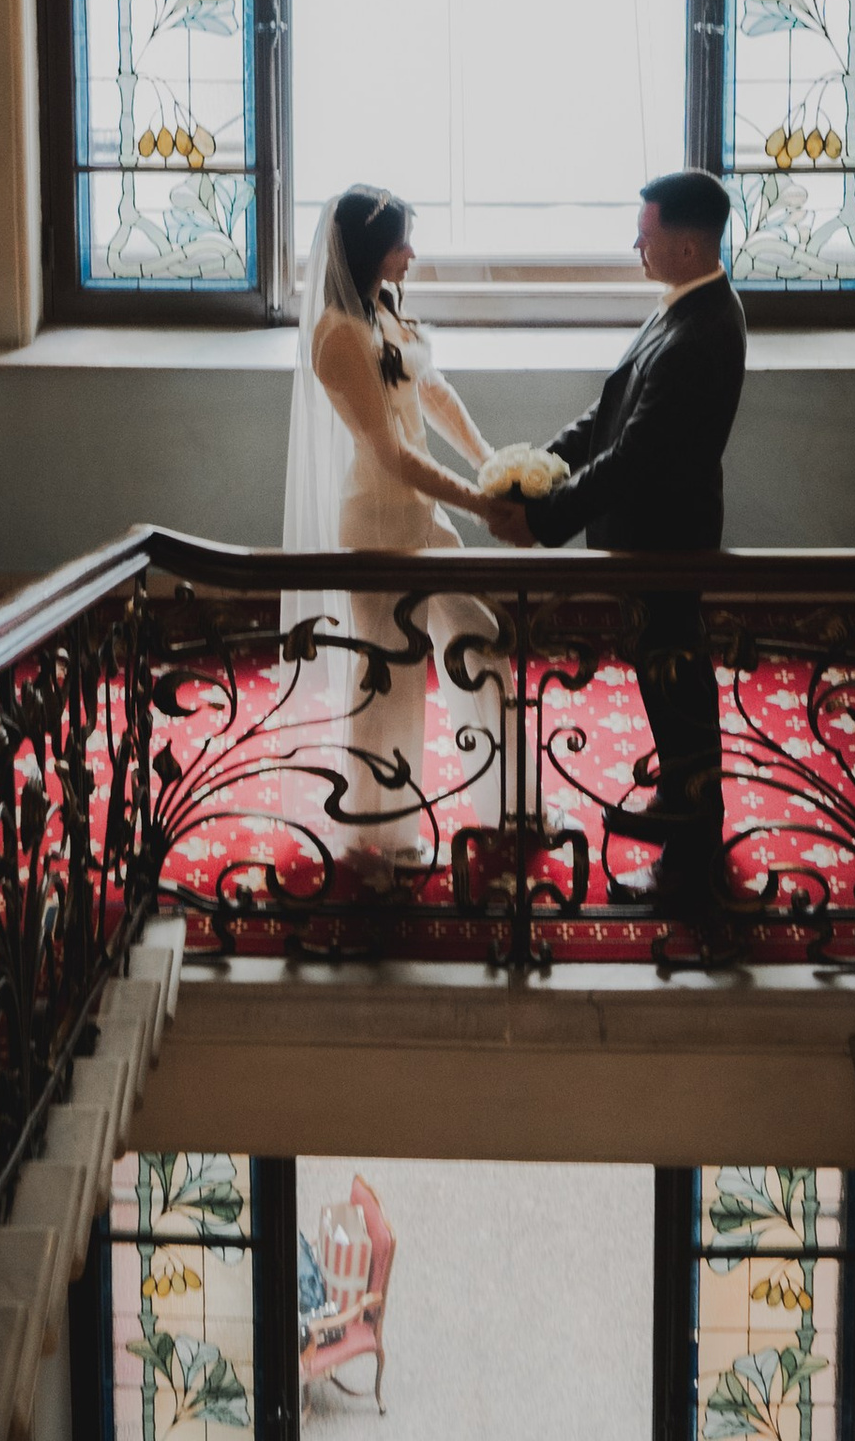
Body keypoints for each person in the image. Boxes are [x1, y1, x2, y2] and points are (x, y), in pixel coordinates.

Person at [485, 169, 745, 915]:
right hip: (649, 534)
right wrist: (537, 468)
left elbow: (635, 455)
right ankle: (684, 807)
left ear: (686, 245)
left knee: (678, 685)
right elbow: (610, 413)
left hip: (665, 539)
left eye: (646, 234)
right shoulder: (687, 303)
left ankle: (691, 861)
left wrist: (543, 522)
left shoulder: (701, 331)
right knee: (666, 677)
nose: (636, 245)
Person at [282, 185, 504, 877]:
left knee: (481, 640)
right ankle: (378, 833)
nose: (412, 253)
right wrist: (479, 504)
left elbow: (433, 392)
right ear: (372, 249)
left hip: (422, 516)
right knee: (390, 678)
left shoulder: (383, 311)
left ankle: (509, 802)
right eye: (401, 242)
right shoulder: (338, 336)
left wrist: (491, 463)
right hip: (379, 522)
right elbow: (392, 454)